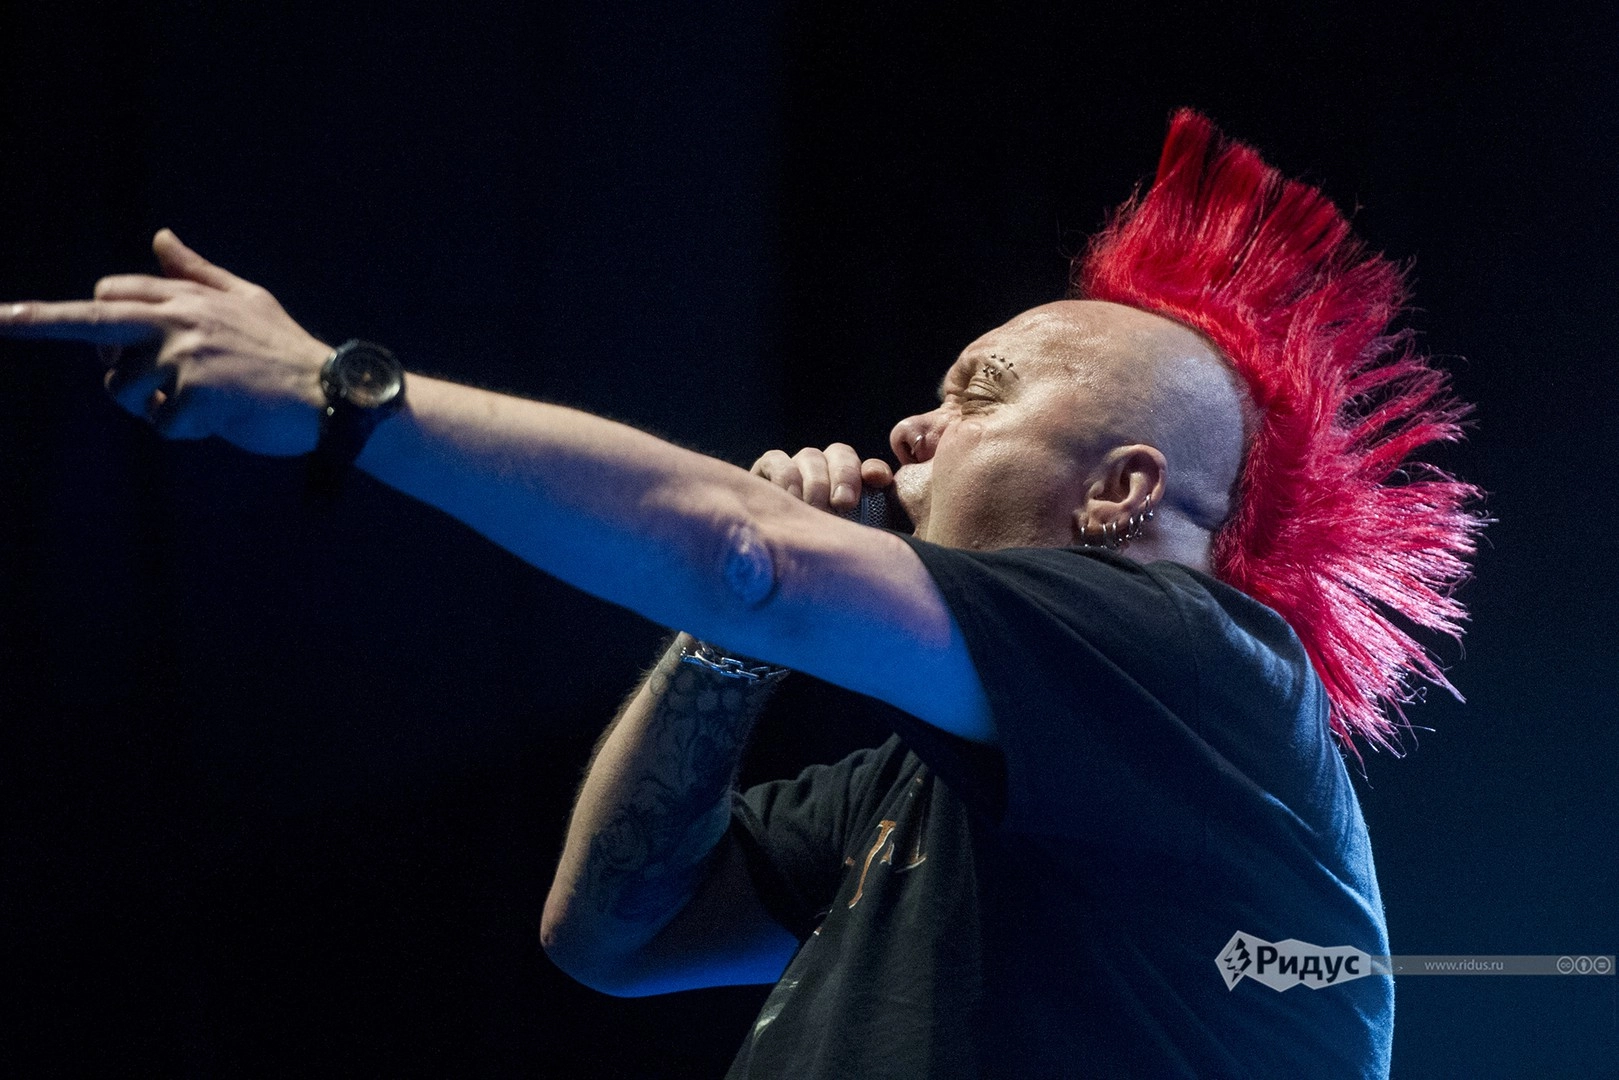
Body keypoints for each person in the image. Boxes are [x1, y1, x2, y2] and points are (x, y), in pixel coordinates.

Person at [0, 111, 1480, 1077]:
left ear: (1121, 491)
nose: (914, 428)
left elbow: (744, 555)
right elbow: (614, 934)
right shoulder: (931, 784)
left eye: (980, 393)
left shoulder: (1206, 663)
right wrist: (725, 647)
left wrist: (343, 395)